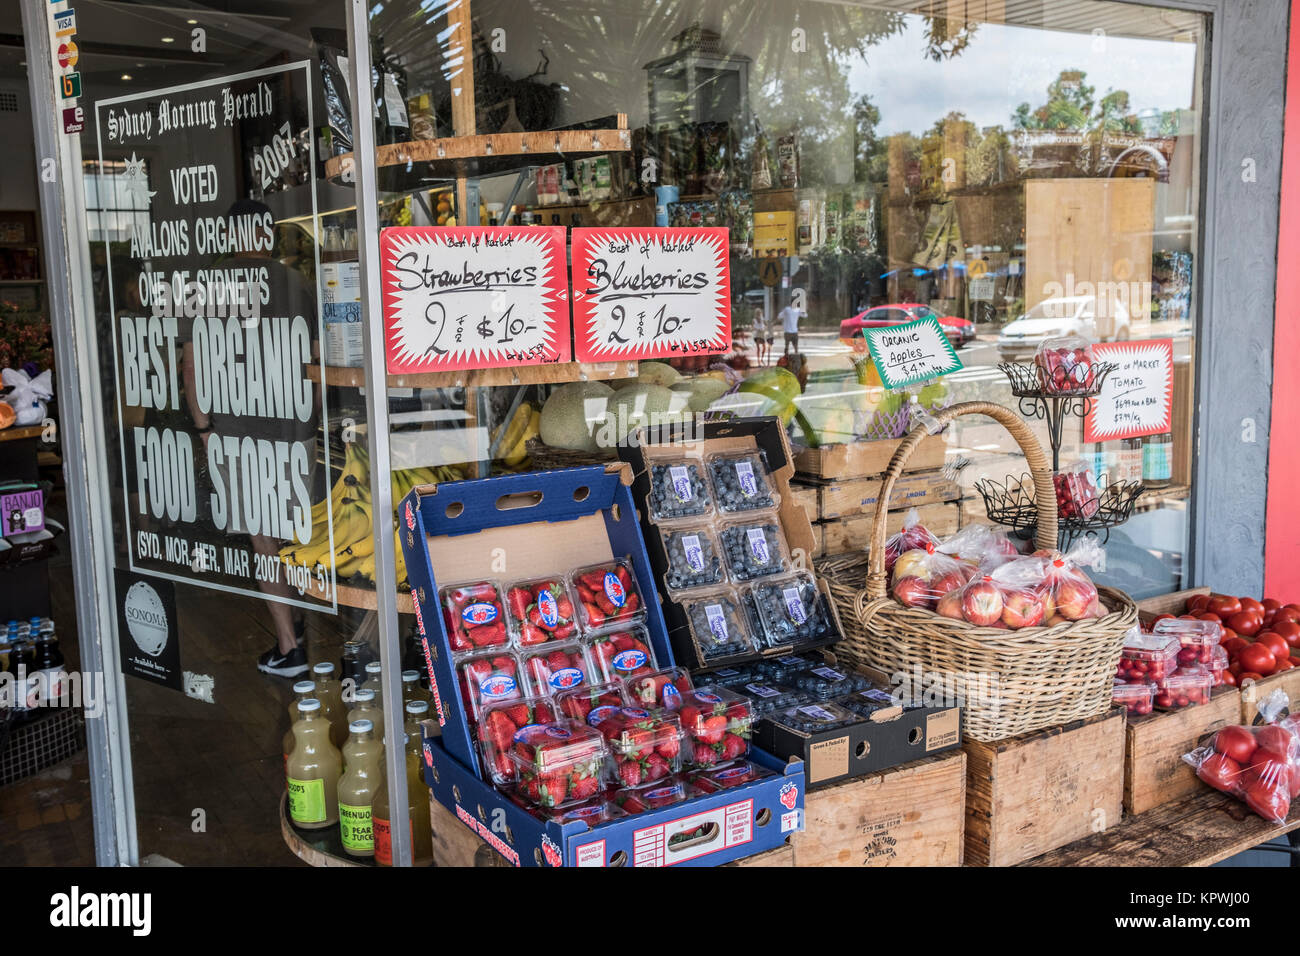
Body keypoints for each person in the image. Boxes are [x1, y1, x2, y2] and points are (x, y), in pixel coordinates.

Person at [180, 199, 321, 678]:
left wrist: (203, 427)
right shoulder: (298, 283)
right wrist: (310, 419)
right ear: (270, 235)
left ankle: (289, 646)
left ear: (229, 237)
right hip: (294, 430)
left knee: (265, 543)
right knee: (297, 536)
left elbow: (192, 365)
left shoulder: (207, 287)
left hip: (238, 435)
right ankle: (299, 626)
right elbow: (316, 362)